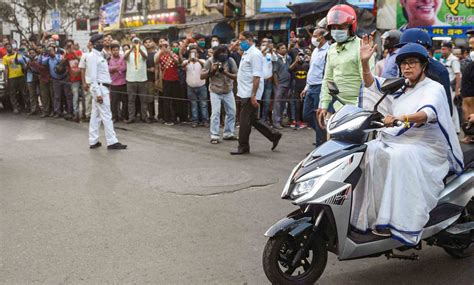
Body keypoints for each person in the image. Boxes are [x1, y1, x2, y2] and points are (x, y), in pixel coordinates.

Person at [352, 38, 463, 244]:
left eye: (412, 62)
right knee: (369, 151)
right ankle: (371, 217)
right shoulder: (401, 86)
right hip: (399, 139)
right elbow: (373, 86)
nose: (407, 67)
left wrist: (400, 118)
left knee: (397, 157)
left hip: (426, 146)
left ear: (424, 66)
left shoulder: (434, 88)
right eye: (403, 63)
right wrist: (365, 63)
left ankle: (398, 222)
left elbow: (427, 113)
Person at [317, 5, 374, 129]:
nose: (337, 30)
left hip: (357, 109)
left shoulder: (362, 47)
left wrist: (362, 112)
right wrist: (324, 105)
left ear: (350, 27)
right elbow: (328, 79)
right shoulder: (331, 49)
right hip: (336, 108)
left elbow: (369, 85)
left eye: (341, 27)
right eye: (334, 27)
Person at [230, 31, 282, 155]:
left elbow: (257, 76)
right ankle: (274, 135)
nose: (239, 42)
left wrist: (253, 95)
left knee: (243, 121)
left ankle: (243, 146)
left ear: (249, 40)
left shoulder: (255, 54)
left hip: (250, 93)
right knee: (252, 119)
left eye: (242, 40)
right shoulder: (247, 53)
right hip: (244, 92)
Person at [396, 28, 453, 115]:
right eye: (403, 47)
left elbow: (446, 107)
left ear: (424, 47)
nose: (405, 50)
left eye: (410, 46)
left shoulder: (438, 70)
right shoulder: (403, 65)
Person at [84, 34, 126, 150]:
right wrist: (98, 94)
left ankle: (93, 141)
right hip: (100, 88)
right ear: (95, 43)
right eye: (101, 41)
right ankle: (112, 141)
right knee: (107, 115)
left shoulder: (100, 55)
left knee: (95, 116)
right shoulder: (93, 56)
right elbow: (92, 77)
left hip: (102, 88)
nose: (103, 43)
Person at [201, 45, 238, 144]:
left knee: (232, 112)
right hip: (215, 90)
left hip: (228, 90)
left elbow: (236, 75)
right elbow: (201, 76)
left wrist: (226, 73)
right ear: (217, 53)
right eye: (221, 53)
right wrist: (212, 71)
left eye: (225, 53)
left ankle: (228, 133)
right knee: (216, 113)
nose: (224, 55)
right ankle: (214, 135)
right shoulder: (210, 61)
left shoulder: (230, 61)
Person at [301, 28, 330, 146]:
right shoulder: (315, 51)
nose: (313, 38)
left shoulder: (329, 51)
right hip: (311, 86)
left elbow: (327, 73)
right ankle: (322, 134)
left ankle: (321, 144)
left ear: (322, 37)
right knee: (306, 115)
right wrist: (306, 87)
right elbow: (312, 70)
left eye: (315, 35)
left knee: (320, 116)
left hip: (320, 86)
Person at [123, 37, 148, 123]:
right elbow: (124, 57)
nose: (136, 44)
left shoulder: (143, 51)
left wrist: (139, 49)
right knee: (131, 100)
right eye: (134, 42)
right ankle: (131, 117)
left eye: (137, 42)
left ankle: (144, 117)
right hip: (131, 79)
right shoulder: (127, 51)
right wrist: (132, 49)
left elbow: (146, 57)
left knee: (143, 100)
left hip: (142, 79)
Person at [183, 46, 208, 128]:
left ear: (198, 54)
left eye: (195, 52)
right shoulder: (186, 61)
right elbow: (183, 66)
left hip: (201, 86)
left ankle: (205, 120)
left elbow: (205, 65)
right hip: (190, 86)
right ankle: (195, 121)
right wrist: (189, 61)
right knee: (193, 104)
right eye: (191, 52)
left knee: (203, 104)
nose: (193, 54)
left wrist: (197, 60)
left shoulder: (202, 61)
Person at [156, 40, 180, 126]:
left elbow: (177, 63)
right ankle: (167, 118)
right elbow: (156, 62)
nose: (165, 48)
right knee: (166, 100)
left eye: (166, 46)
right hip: (166, 80)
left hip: (175, 80)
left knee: (174, 100)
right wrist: (161, 52)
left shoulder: (174, 55)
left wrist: (170, 54)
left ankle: (174, 117)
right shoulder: (161, 56)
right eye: (163, 46)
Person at [440, 41, 462, 132]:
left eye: (444, 49)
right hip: (445, 87)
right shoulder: (443, 59)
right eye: (441, 49)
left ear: (449, 50)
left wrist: (457, 90)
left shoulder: (454, 60)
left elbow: (458, 75)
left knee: (452, 108)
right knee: (447, 107)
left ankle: (455, 129)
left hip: (452, 88)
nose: (442, 51)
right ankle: (451, 128)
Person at [272, 43, 294, 129]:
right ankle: (276, 122)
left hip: (287, 84)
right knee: (277, 104)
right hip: (280, 84)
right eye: (282, 48)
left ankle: (280, 121)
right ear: (278, 50)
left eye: (285, 48)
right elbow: (274, 73)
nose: (284, 49)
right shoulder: (276, 59)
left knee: (283, 103)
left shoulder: (288, 58)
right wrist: (277, 85)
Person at [3, 42, 27, 113]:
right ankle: (15, 107)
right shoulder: (5, 57)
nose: (8, 48)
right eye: (7, 47)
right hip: (12, 77)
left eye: (9, 46)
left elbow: (23, 63)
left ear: (12, 47)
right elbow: (6, 69)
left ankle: (25, 106)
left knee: (23, 92)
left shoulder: (18, 54)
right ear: (6, 49)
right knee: (12, 93)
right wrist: (6, 79)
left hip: (21, 76)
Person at [64, 40, 83, 122]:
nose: (70, 47)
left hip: (82, 78)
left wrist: (74, 53)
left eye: (71, 45)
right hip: (73, 79)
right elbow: (63, 62)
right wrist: (66, 53)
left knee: (84, 97)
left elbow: (82, 60)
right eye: (68, 46)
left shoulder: (79, 52)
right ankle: (76, 113)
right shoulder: (66, 55)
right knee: (75, 97)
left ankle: (85, 114)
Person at [108, 43, 128, 123]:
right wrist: (116, 67)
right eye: (114, 50)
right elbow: (108, 69)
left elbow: (124, 68)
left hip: (123, 83)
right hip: (113, 84)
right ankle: (114, 117)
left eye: (117, 50)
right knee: (114, 102)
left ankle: (123, 116)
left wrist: (114, 68)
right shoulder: (109, 59)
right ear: (111, 51)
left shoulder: (123, 58)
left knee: (124, 101)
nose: (116, 52)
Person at [290, 51, 309, 129]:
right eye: (299, 56)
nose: (300, 57)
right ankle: (297, 122)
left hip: (305, 87)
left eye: (302, 56)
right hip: (297, 87)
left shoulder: (307, 65)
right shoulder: (295, 65)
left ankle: (305, 121)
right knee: (297, 105)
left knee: (305, 105)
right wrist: (295, 61)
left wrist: (310, 60)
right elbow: (289, 69)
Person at [461, 35, 474, 143]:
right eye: (470, 48)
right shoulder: (470, 65)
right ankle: (469, 135)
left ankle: (470, 135)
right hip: (467, 95)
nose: (472, 51)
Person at [260, 39, 276, 124]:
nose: (265, 46)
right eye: (263, 44)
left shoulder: (270, 55)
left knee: (266, 101)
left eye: (266, 44)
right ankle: (256, 119)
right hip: (260, 81)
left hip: (269, 81)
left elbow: (275, 59)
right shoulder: (258, 55)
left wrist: (271, 50)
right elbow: (260, 53)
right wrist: (265, 47)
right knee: (258, 101)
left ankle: (264, 119)